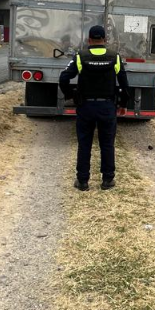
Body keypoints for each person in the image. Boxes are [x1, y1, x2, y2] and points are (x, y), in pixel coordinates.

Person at [59, 25, 130, 191]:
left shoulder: (80, 56)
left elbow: (63, 78)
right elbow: (124, 83)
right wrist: (123, 104)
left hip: (86, 106)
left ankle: (82, 181)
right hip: (107, 106)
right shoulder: (115, 57)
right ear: (105, 39)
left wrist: (71, 95)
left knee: (84, 144)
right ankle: (107, 180)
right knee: (107, 144)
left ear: (89, 40)